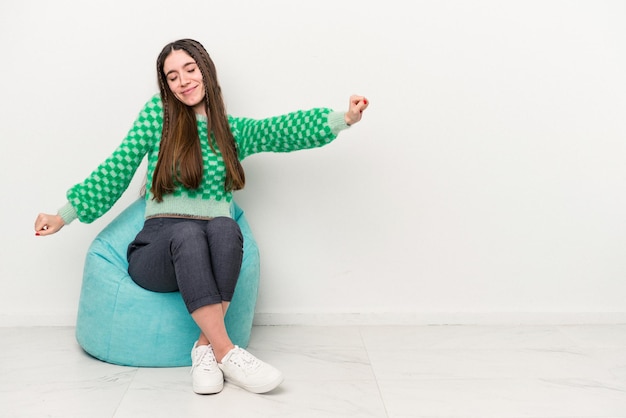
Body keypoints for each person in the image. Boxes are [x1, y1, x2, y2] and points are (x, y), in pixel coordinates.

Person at [34, 38, 368, 395]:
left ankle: (203, 350)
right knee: (189, 233)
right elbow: (117, 167)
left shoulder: (230, 130)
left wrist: (342, 119)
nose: (183, 81)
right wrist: (64, 214)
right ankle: (226, 351)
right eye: (172, 76)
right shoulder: (157, 118)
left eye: (190, 70)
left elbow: (280, 130)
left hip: (206, 252)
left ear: (205, 71)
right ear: (166, 85)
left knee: (225, 226)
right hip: (155, 250)